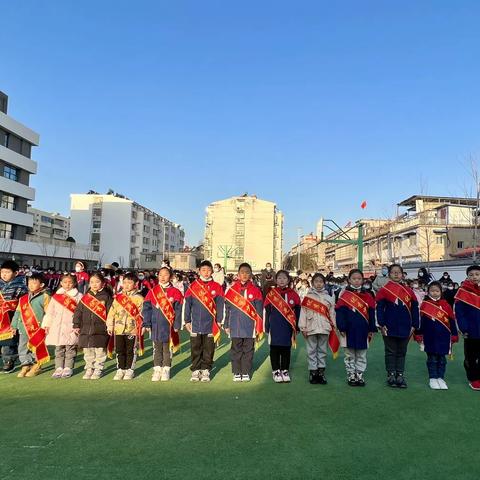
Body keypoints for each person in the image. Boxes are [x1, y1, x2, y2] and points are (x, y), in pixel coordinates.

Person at [376, 264, 420, 388]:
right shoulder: (384, 290)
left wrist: (415, 324)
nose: (396, 274)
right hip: (389, 326)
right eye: (393, 272)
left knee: (402, 351)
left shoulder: (409, 290)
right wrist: (381, 323)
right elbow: (379, 308)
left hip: (406, 326)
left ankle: (400, 374)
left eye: (398, 272)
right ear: (389, 274)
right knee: (390, 351)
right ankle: (391, 374)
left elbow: (415, 308)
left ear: (402, 274)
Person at [183, 261, 224, 382]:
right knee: (195, 347)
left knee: (209, 348)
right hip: (195, 323)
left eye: (208, 270)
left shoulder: (217, 287)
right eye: (203, 270)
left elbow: (221, 305)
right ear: (199, 271)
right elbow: (187, 305)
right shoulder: (192, 286)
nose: (206, 272)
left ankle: (206, 369)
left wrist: (219, 320)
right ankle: (196, 369)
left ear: (212, 271)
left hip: (211, 324)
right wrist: (187, 320)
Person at [335, 269, 377, 387]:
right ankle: (351, 374)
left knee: (361, 354)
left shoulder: (368, 296)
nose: (357, 281)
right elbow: (340, 312)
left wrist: (371, 328)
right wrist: (341, 327)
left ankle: (359, 374)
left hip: (363, 330)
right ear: (349, 280)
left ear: (363, 280)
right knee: (349, 354)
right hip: (348, 330)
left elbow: (371, 313)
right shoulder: (344, 295)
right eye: (354, 278)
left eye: (359, 279)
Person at [223, 263, 264, 382]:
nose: (244, 274)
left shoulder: (256, 291)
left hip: (250, 327)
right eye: (242, 272)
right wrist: (226, 324)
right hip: (235, 326)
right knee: (235, 350)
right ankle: (236, 371)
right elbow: (227, 309)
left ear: (251, 275)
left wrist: (259, 326)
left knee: (248, 350)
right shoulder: (231, 290)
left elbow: (259, 311)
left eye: (247, 272)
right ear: (238, 274)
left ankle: (245, 371)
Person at [414, 282, 458, 390]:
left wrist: (454, 334)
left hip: (444, 337)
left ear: (441, 292)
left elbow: (452, 321)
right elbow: (421, 322)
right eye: (432, 291)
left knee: (442, 359)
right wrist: (419, 334)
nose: (435, 293)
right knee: (432, 358)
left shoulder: (446, 305)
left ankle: (441, 377)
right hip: (430, 336)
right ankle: (432, 378)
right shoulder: (425, 304)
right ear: (428, 292)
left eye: (437, 291)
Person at [142, 267, 183, 381]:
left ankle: (166, 369)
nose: (163, 277)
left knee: (167, 349)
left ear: (170, 276)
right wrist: (147, 323)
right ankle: (157, 369)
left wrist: (177, 324)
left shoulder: (176, 292)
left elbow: (179, 310)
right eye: (160, 275)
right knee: (157, 348)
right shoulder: (153, 291)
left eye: (165, 275)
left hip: (168, 326)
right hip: (155, 326)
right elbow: (147, 308)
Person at [73, 272, 113, 380]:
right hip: (86, 329)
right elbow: (78, 312)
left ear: (103, 283)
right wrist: (76, 324)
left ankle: (98, 369)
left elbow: (111, 313)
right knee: (88, 351)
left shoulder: (107, 297)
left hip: (101, 329)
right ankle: (89, 368)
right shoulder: (86, 297)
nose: (94, 284)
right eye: (92, 282)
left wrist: (110, 326)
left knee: (100, 351)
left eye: (97, 282)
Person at [299, 273, 337, 385]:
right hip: (311, 328)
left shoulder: (328, 298)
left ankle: (321, 372)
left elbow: (332, 313)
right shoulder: (308, 298)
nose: (319, 284)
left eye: (321, 281)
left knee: (322, 351)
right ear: (312, 283)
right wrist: (303, 327)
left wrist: (334, 325)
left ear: (324, 283)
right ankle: (313, 372)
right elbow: (303, 313)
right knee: (311, 351)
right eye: (316, 281)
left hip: (325, 327)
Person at [42, 273, 83, 378]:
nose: (67, 284)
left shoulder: (79, 296)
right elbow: (50, 311)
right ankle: (58, 367)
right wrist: (47, 324)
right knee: (59, 348)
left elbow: (81, 312)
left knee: (70, 348)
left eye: (70, 282)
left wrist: (79, 325)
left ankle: (68, 367)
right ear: (61, 283)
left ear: (74, 283)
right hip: (57, 326)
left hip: (72, 326)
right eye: (65, 282)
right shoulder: (56, 296)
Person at [11, 272, 50, 378]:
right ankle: (25, 364)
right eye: (29, 283)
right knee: (22, 347)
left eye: (34, 283)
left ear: (41, 285)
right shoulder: (23, 298)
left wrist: (47, 325)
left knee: (36, 347)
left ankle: (37, 365)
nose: (31, 285)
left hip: (38, 328)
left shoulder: (45, 297)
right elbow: (18, 312)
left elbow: (49, 313)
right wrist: (14, 325)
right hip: (23, 328)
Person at [264, 270, 301, 383]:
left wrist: (297, 325)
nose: (282, 280)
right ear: (276, 280)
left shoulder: (293, 294)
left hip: (287, 326)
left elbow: (298, 311)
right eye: (279, 278)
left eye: (284, 278)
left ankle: (285, 370)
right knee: (274, 348)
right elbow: (267, 311)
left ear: (288, 280)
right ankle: (275, 370)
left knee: (286, 348)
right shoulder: (271, 293)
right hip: (274, 325)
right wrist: (267, 326)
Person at [106, 272, 144, 381]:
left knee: (130, 350)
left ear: (136, 284)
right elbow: (111, 313)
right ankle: (120, 369)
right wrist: (110, 325)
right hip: (118, 329)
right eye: (125, 282)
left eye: (129, 283)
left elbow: (143, 314)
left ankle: (129, 369)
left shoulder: (139, 298)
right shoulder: (118, 298)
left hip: (132, 329)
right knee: (119, 350)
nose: (126, 285)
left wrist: (143, 326)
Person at [454, 265, 480, 390]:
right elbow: (460, 313)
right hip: (471, 330)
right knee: (471, 356)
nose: (474, 277)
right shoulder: (462, 291)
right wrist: (464, 328)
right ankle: (473, 378)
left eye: (477, 274)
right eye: (471, 275)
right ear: (467, 277)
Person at [0, 260, 28, 373]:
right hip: (0, 317)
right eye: (2, 272)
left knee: (8, 342)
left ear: (15, 273)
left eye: (7, 272)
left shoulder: (21, 287)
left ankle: (9, 360)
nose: (4, 274)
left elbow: (23, 304)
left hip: (11, 317)